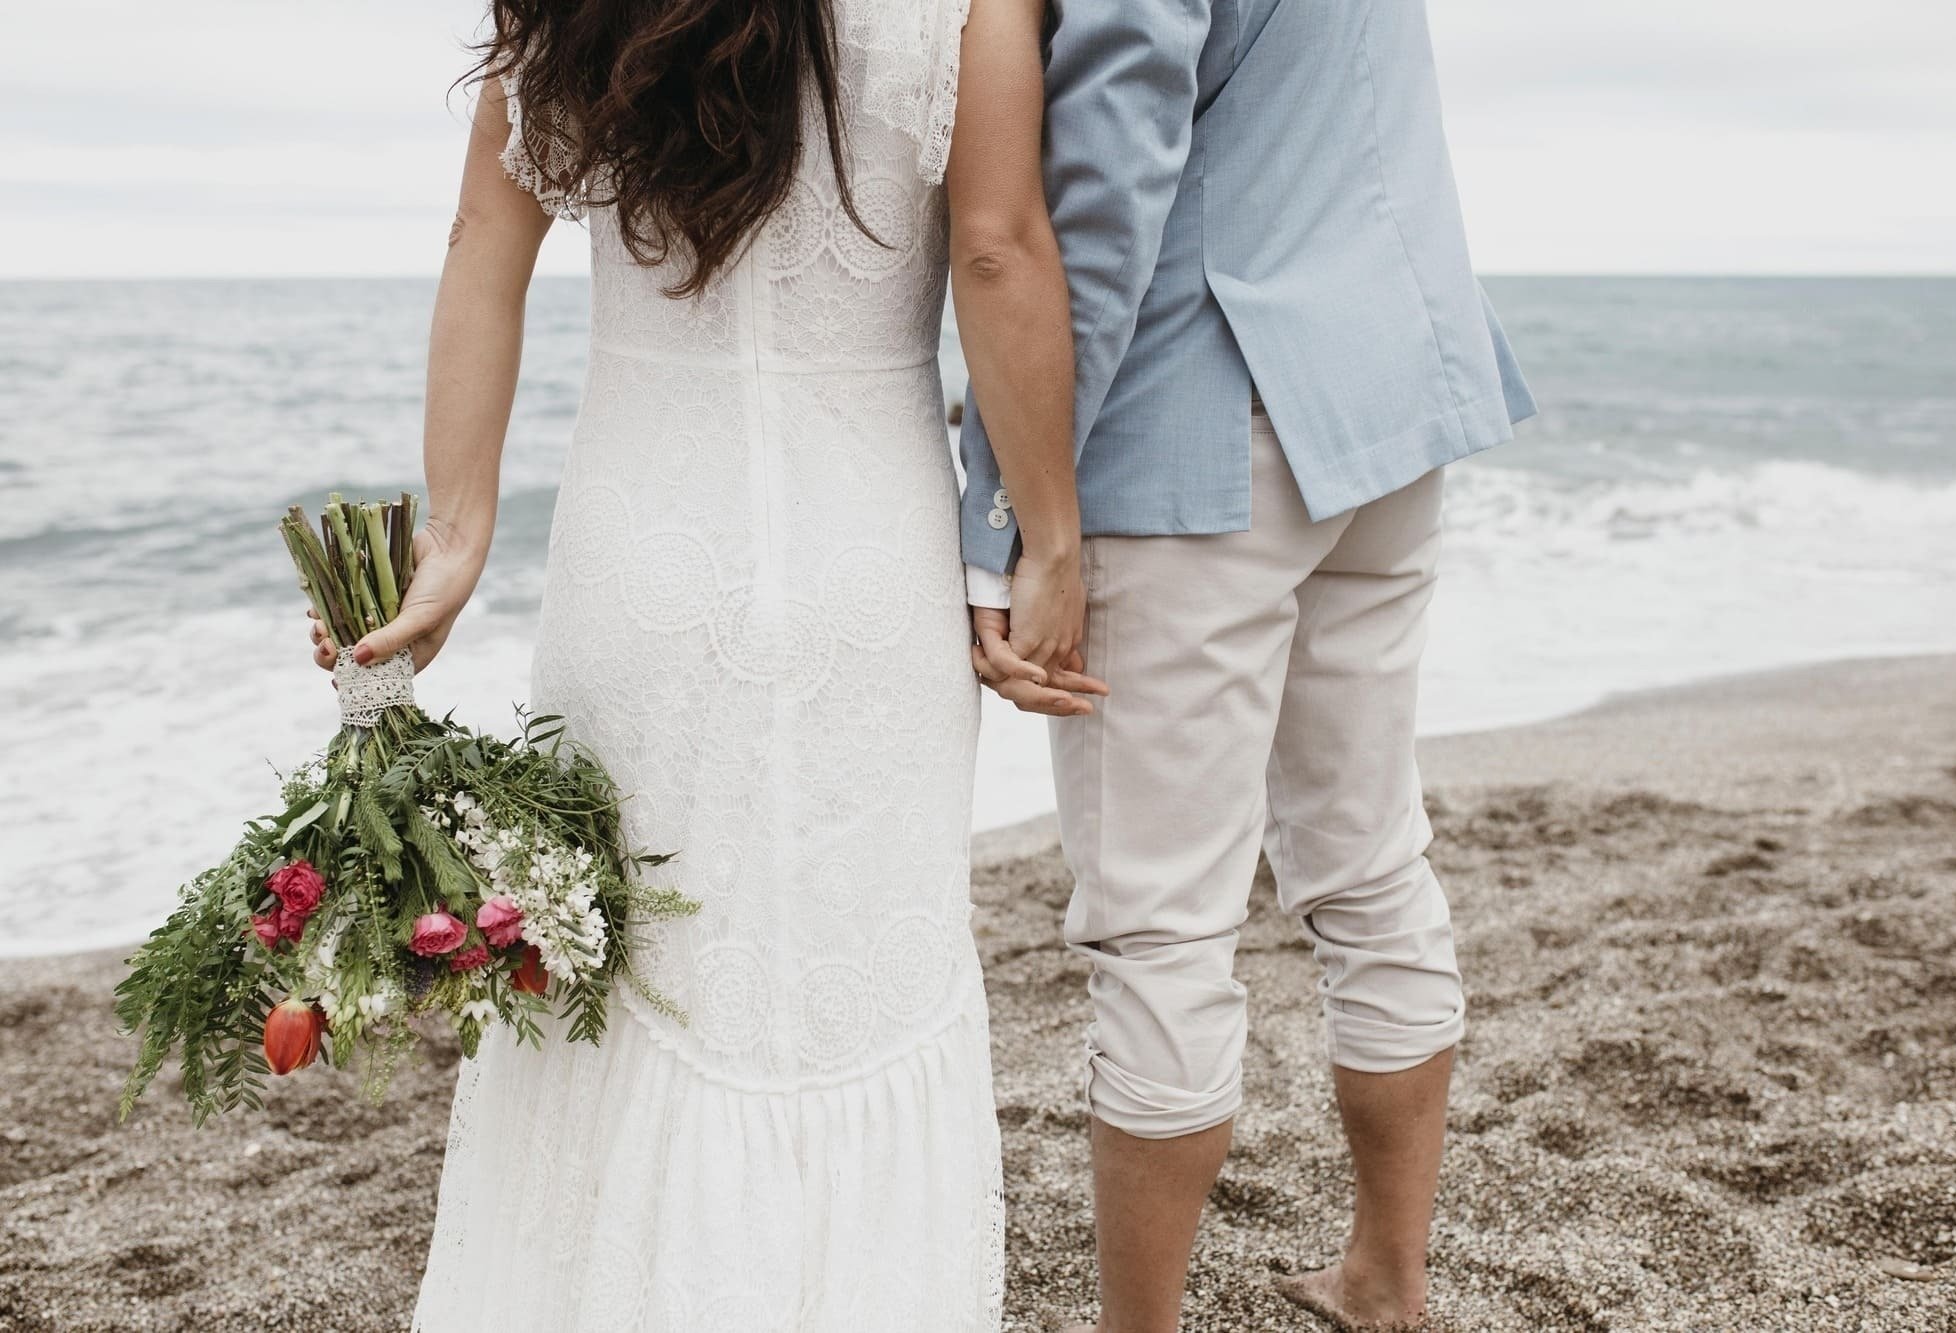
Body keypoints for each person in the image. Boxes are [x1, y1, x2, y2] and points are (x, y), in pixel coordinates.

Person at [309, 0, 1096, 1327]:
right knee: (860, 983)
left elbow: (483, 243)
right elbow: (1001, 249)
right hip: (869, 563)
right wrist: (1052, 538)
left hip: (639, 560)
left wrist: (457, 527)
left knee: (625, 980)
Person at [960, 0, 1538, 1328]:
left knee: (1159, 921)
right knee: (1372, 856)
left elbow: (1102, 189)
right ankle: (1389, 1280)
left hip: (1200, 420)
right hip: (1388, 387)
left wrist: (1023, 509)